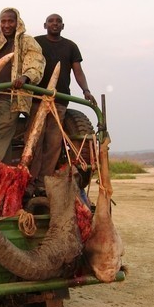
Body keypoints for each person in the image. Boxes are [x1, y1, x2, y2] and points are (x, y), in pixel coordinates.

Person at [26, 13, 96, 196]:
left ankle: (44, 181)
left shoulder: (70, 46)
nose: (54, 24)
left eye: (58, 22)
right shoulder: (36, 42)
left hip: (60, 100)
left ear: (62, 26)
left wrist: (86, 90)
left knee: (54, 142)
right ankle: (29, 180)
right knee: (34, 140)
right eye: (51, 21)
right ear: (45, 25)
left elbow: (78, 71)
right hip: (37, 99)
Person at [0, 7, 45, 164]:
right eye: (3, 21)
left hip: (12, 99)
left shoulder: (26, 41)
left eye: (10, 21)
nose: (6, 25)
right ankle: (5, 180)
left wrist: (26, 77)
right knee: (3, 142)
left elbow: (35, 62)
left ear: (17, 22)